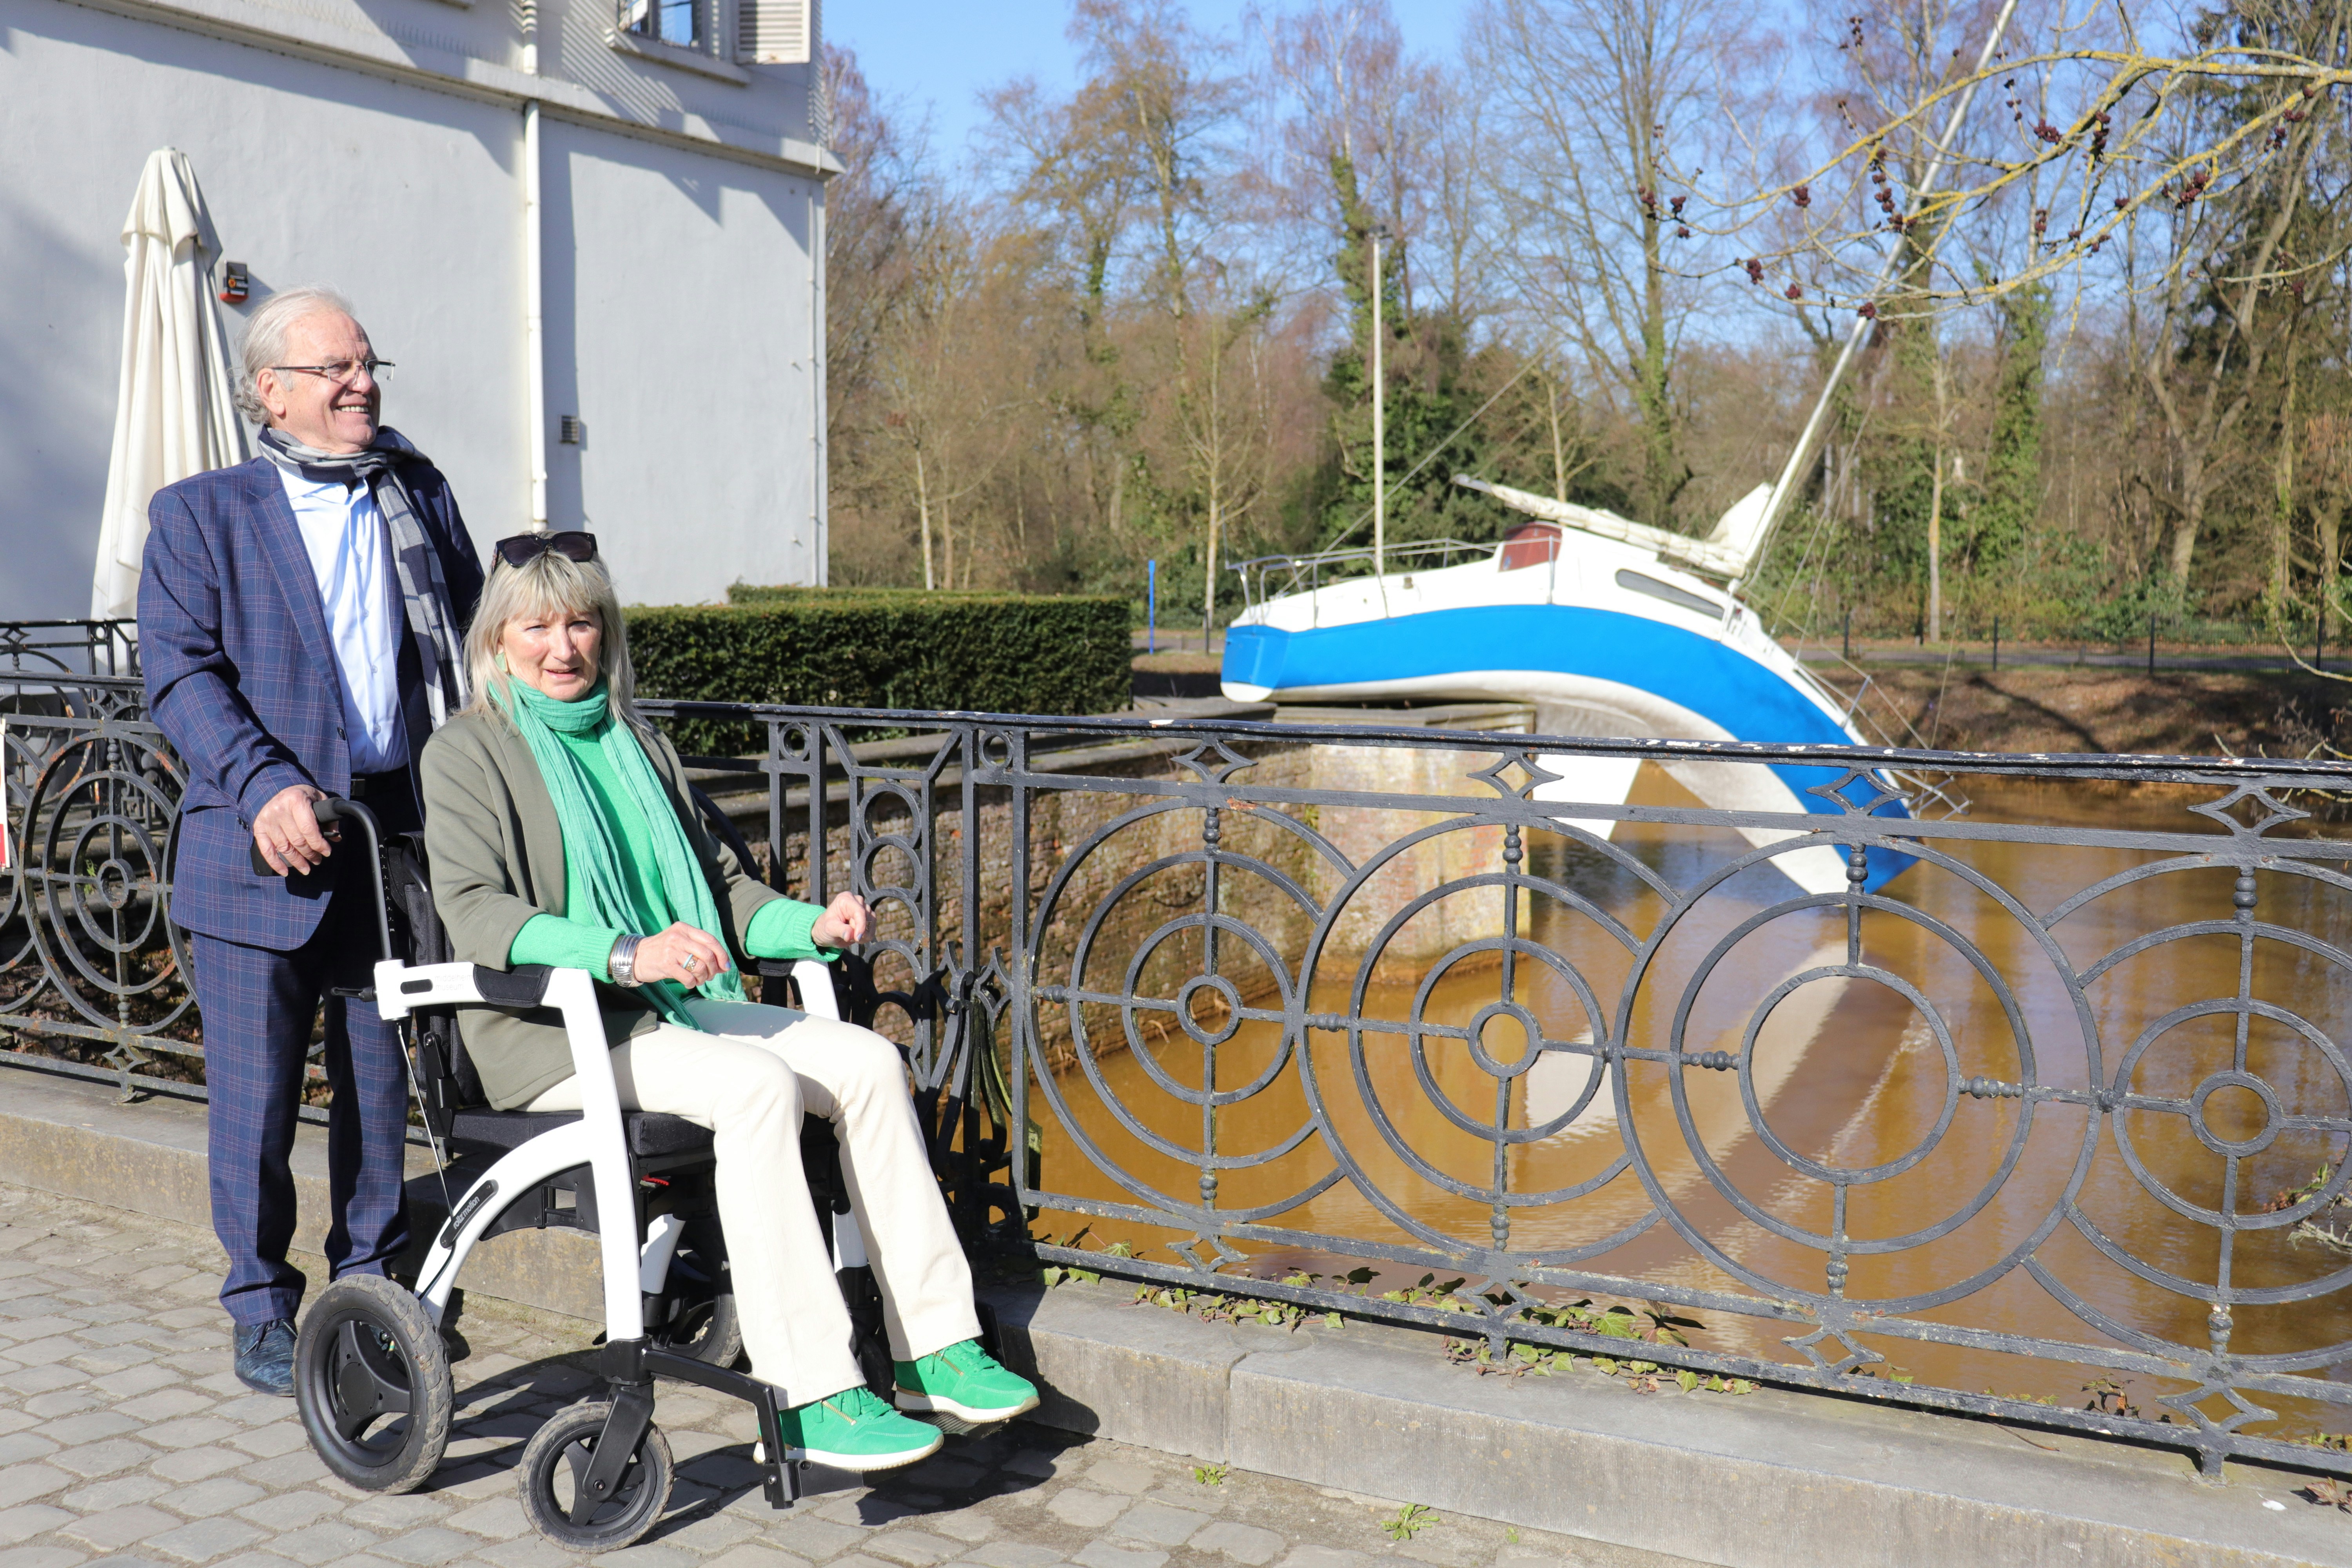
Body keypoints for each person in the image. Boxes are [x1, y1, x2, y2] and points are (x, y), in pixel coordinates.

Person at [418, 537, 1037, 1470]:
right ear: (498, 641)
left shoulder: (638, 741)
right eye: (536, 625)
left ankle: (934, 1347)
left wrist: (810, 924)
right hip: (557, 1032)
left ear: (606, 631)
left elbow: (720, 889)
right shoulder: (466, 750)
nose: (562, 645)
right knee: (756, 1086)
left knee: (869, 1061)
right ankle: (809, 1394)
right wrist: (624, 951)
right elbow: (476, 911)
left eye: (581, 620)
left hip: (673, 1006)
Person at [141, 286, 484, 1395]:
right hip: (265, 841)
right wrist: (260, 784)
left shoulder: (415, 489)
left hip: (396, 833)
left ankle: (370, 1291)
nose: (362, 384)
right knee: (257, 1097)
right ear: (270, 392)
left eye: (369, 363)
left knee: (381, 1090)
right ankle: (260, 1305)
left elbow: (476, 632)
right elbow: (180, 675)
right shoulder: (202, 513)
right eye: (335, 368)